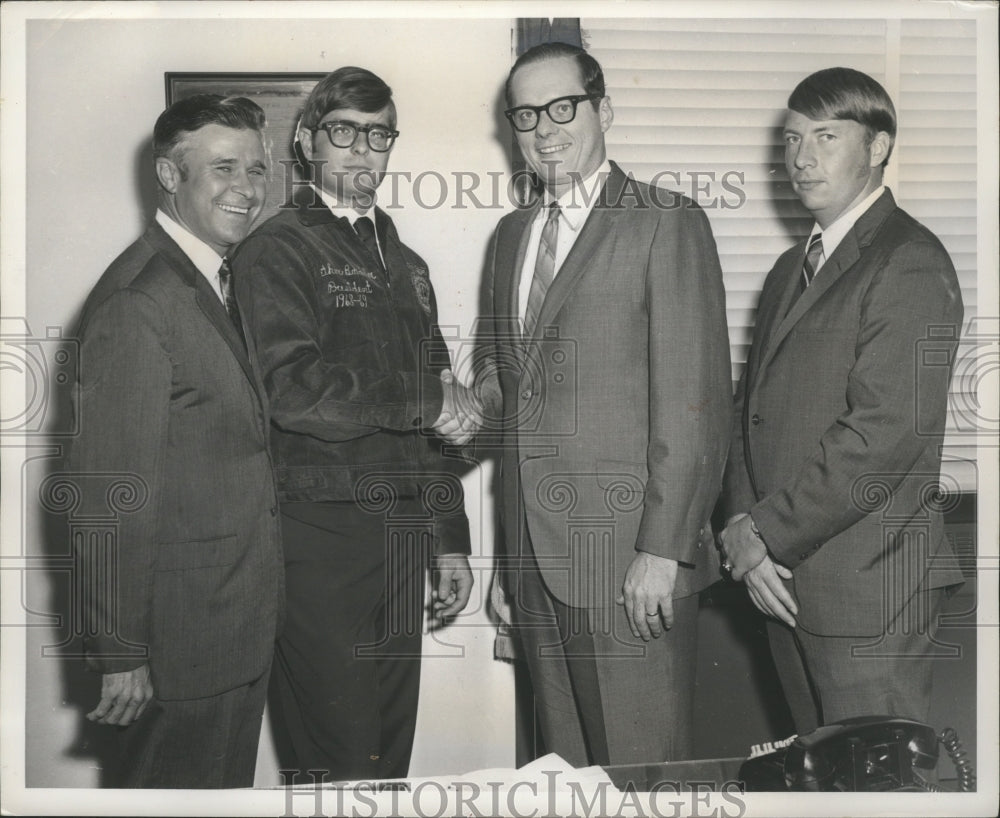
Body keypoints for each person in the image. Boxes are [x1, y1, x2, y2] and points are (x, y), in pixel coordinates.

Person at [461, 42, 731, 766]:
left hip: (628, 565)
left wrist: (662, 550)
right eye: (525, 115)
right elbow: (505, 378)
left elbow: (696, 401)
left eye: (562, 107)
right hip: (535, 565)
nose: (544, 129)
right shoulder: (512, 235)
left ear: (602, 109)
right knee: (568, 778)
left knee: (640, 776)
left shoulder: (664, 222)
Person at [232, 66, 474, 782]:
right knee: (337, 760)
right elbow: (296, 392)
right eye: (344, 132)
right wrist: (426, 399)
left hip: (401, 539)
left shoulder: (409, 264)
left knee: (386, 759)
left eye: (378, 134)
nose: (363, 151)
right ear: (306, 143)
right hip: (319, 539)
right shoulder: (276, 249)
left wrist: (449, 540)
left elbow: (436, 414)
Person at [719, 67, 965, 735]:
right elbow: (751, 415)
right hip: (783, 585)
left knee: (874, 794)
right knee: (817, 788)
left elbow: (882, 437)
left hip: (870, 594)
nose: (801, 158)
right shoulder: (788, 268)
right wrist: (743, 522)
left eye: (826, 136)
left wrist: (762, 534)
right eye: (793, 139)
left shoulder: (910, 260)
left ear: (879, 146)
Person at [68, 94, 284, 787]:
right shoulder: (139, 301)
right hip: (175, 654)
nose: (246, 189)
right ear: (169, 175)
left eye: (255, 170)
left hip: (232, 637)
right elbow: (108, 494)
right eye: (223, 169)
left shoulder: (215, 279)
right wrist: (121, 650)